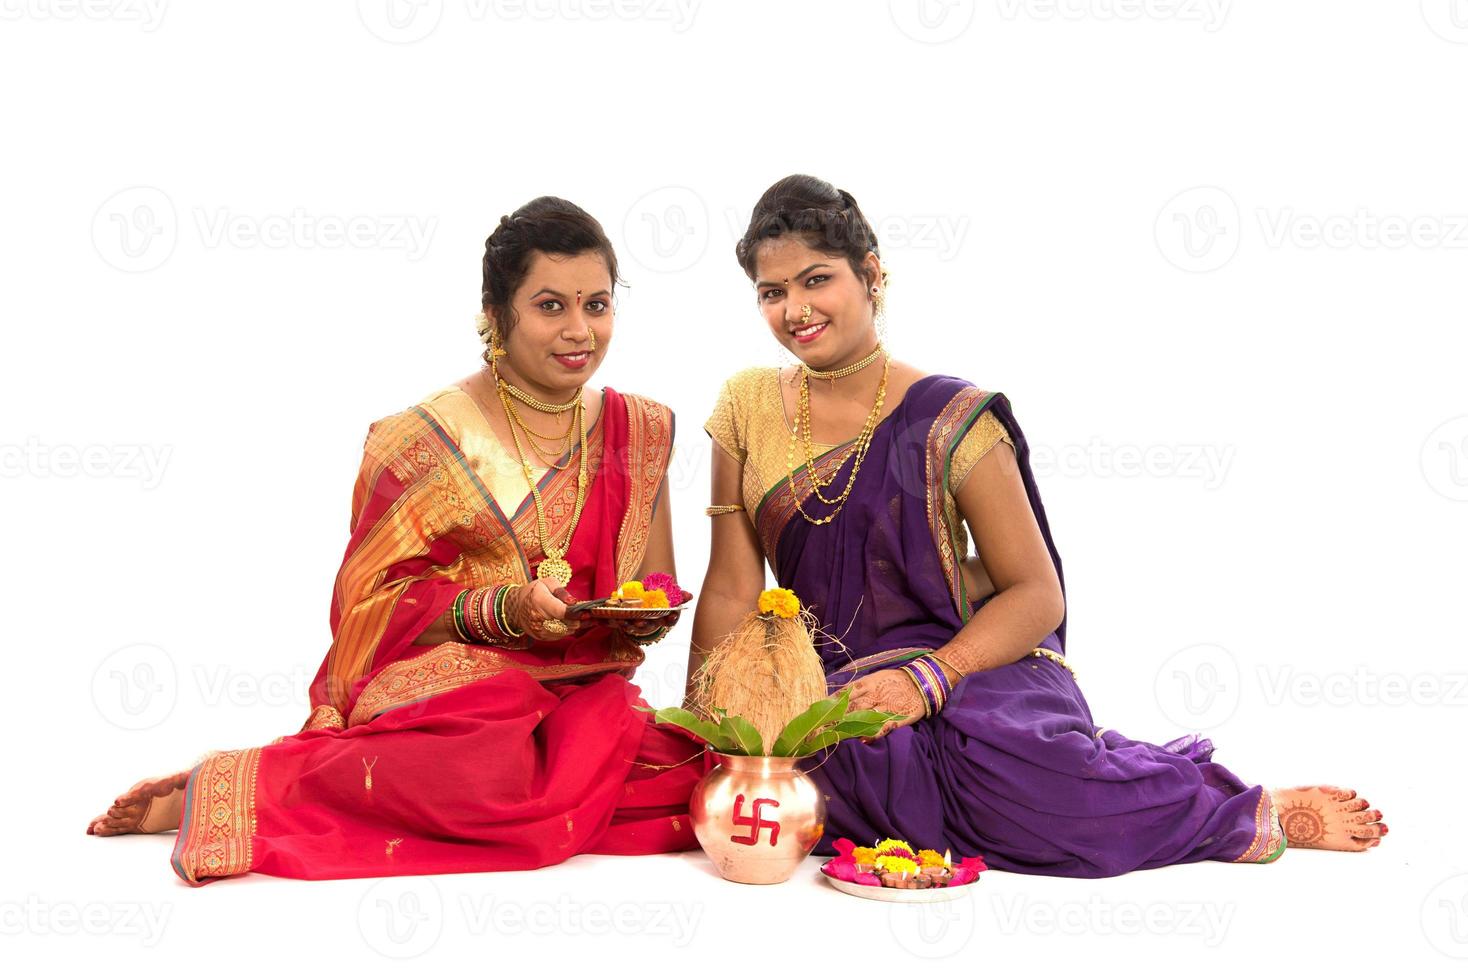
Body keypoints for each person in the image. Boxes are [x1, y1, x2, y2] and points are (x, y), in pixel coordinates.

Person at [689, 174, 1389, 877]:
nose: (795, 310)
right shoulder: (747, 404)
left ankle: (1226, 807)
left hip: (968, 669)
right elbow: (730, 586)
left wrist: (930, 680)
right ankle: (1104, 775)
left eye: (817, 280)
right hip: (836, 689)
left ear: (871, 274)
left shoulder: (951, 415)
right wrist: (708, 728)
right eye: (772, 293)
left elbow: (1034, 591)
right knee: (820, 768)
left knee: (1032, 784)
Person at [86, 197, 707, 885]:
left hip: (586, 698)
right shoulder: (419, 441)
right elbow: (367, 605)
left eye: (596, 304)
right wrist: (502, 610)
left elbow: (653, 589)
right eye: (550, 305)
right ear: (496, 315)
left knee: (690, 773)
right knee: (479, 759)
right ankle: (239, 788)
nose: (579, 330)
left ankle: (521, 785)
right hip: (464, 693)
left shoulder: (638, 430)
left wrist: (640, 616)